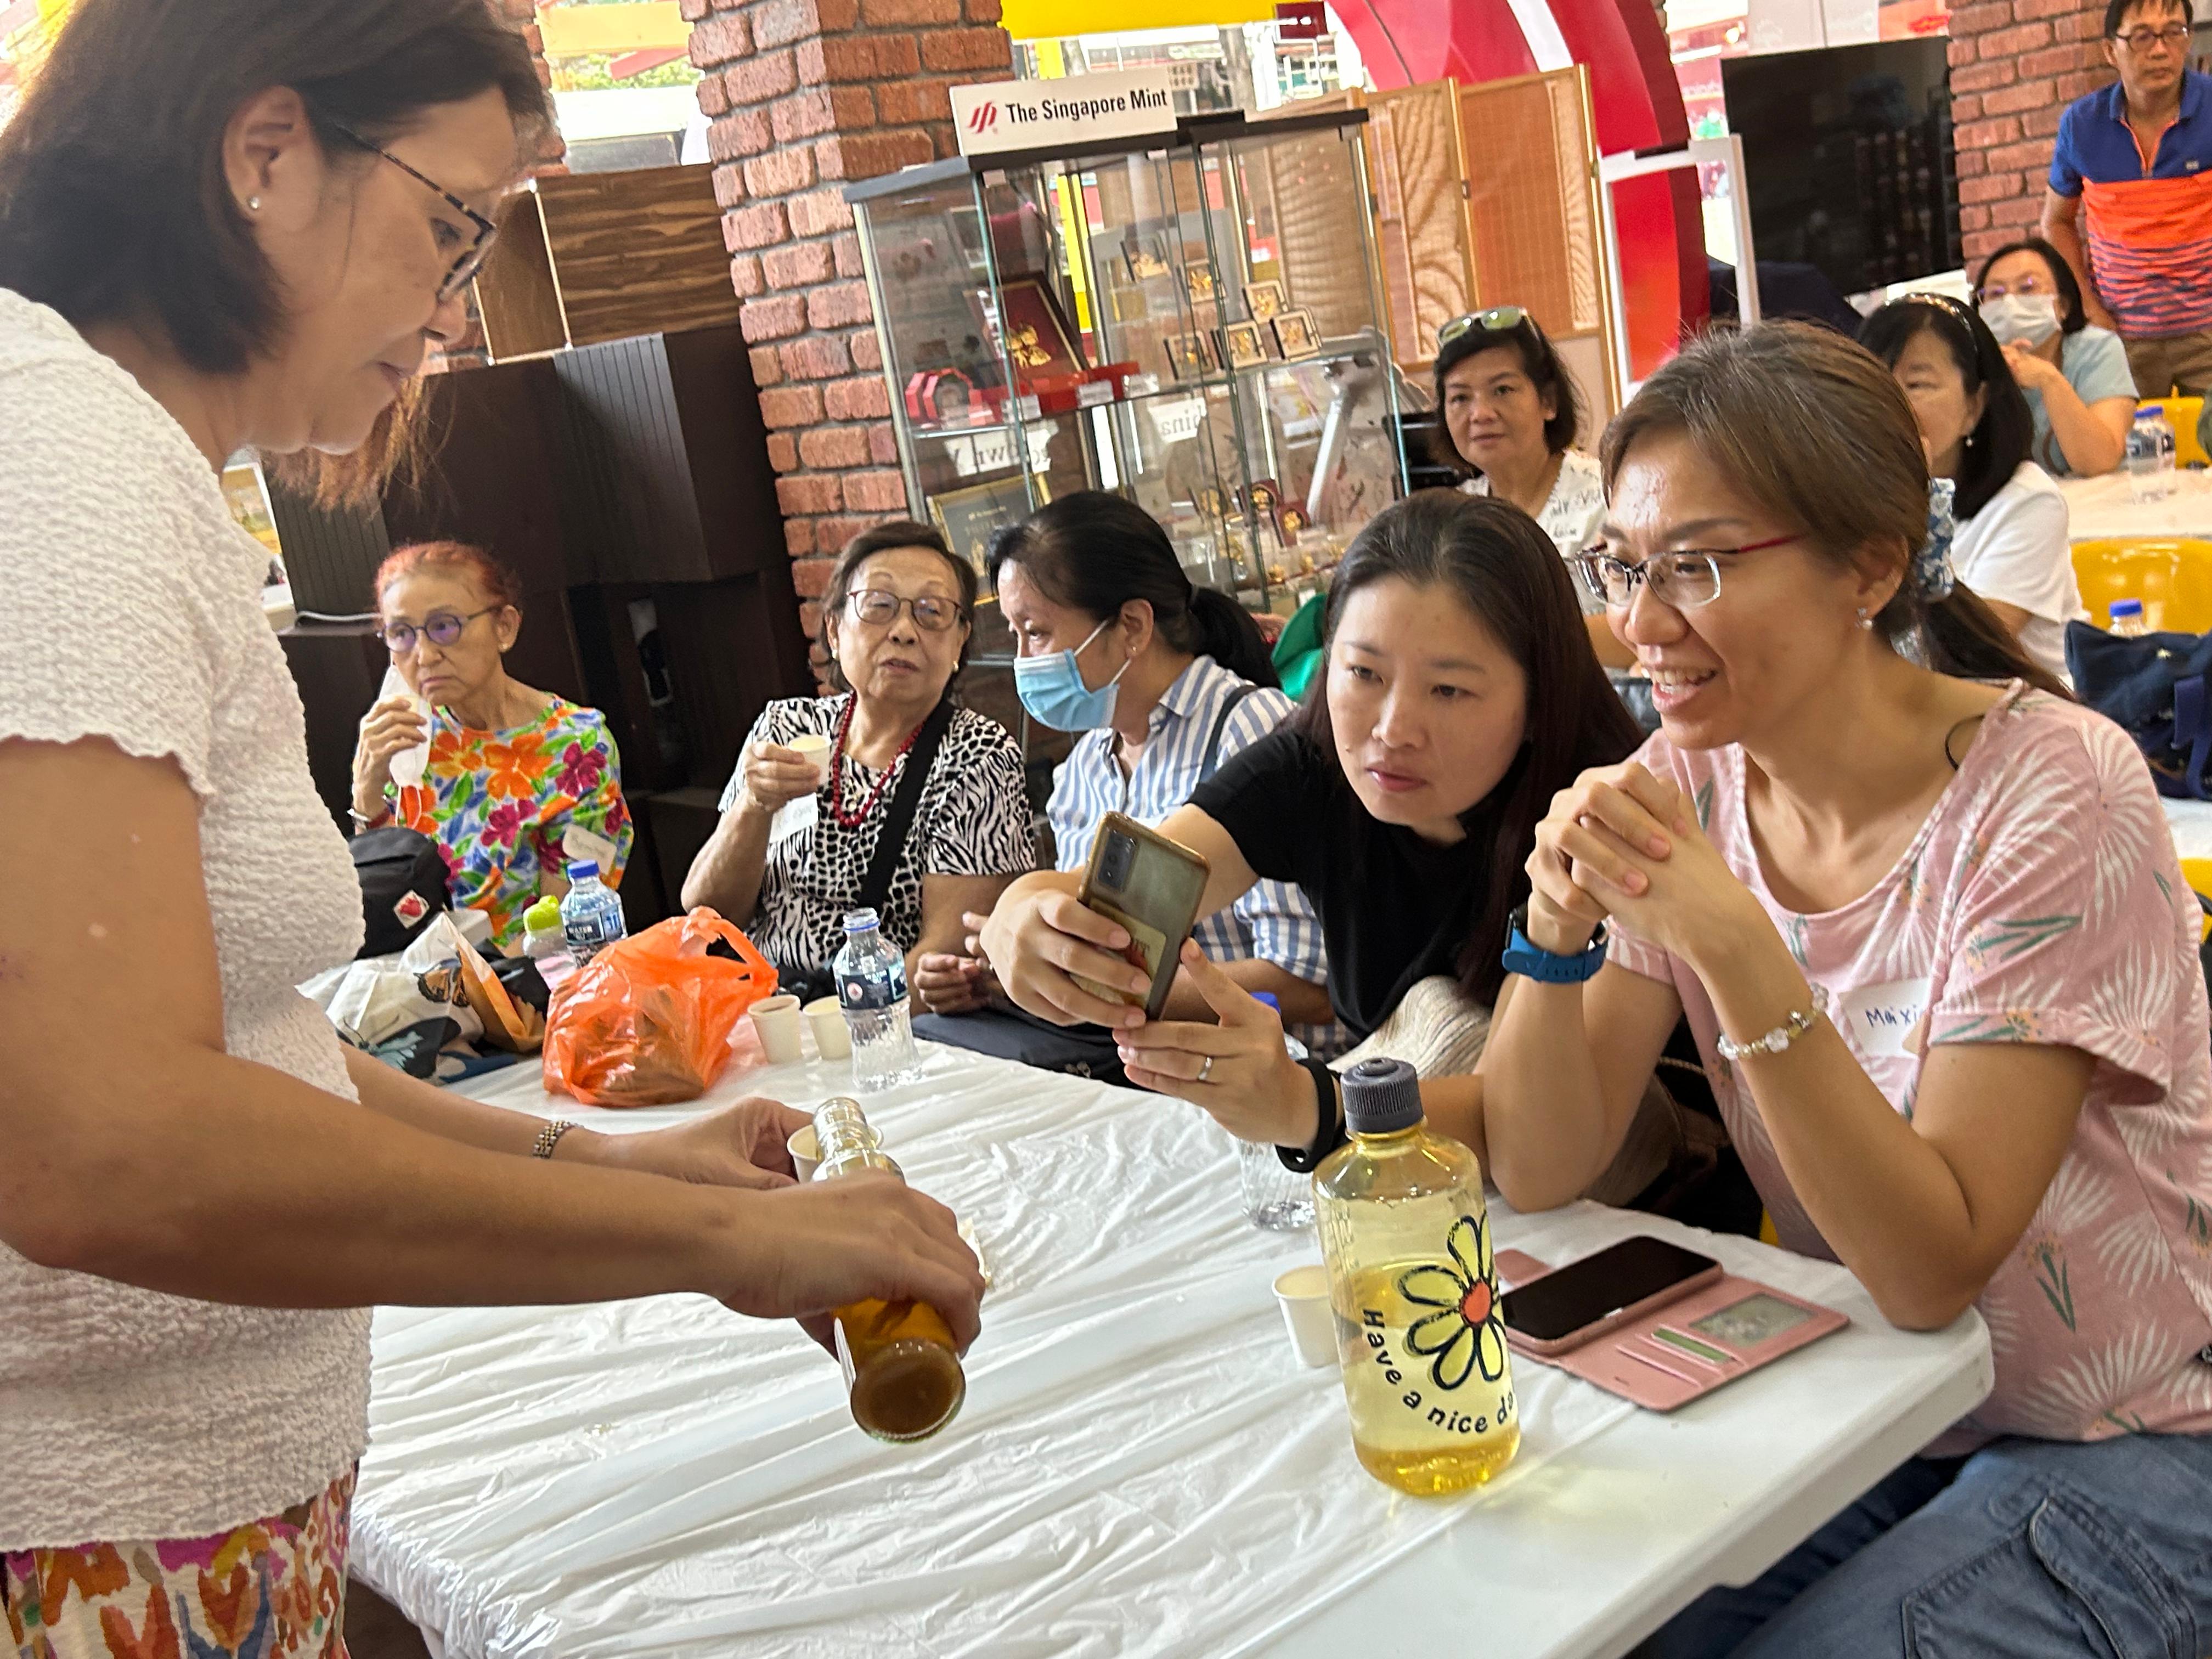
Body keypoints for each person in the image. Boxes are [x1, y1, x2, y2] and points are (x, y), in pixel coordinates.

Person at [0, 3, 981, 1645]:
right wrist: (709, 1245)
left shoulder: (100, 452)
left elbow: (250, 1057)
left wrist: (617, 1155)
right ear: (266, 152)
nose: (455, 318)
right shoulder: (61, 459)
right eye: (452, 229)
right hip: (92, 1538)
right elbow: (104, 1143)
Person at [1473, 321, 2212, 1656]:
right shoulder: (1692, 779)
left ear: (1869, 568)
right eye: (1626, 567)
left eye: (1695, 566)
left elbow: (1932, 1263)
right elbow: (1544, 1162)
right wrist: (1552, 934)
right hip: (1887, 1399)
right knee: (1578, 1623)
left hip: (2136, 1439)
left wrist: (1740, 947)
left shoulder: (2055, 791)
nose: (1642, 627)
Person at [978, 490, 1644, 1157]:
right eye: (1363, 673)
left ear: (1538, 699)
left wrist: (1315, 1106)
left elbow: (1527, 1126)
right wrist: (1024, 912)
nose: (1392, 729)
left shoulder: (1600, 823)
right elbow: (1141, 882)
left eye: (1448, 689)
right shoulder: (1313, 767)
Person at [919, 492, 1336, 1051]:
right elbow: (1095, 945)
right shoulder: (1085, 768)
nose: (1024, 660)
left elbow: (1307, 985)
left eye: (1037, 632)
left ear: (1133, 626)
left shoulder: (1251, 732)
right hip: (1138, 1070)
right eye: (1014, 636)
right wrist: (1009, 974)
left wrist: (1094, 991)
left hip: (1260, 1072)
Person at [682, 521, 1032, 996]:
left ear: (958, 642)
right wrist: (753, 806)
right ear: (834, 628)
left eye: (932, 612)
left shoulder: (978, 757)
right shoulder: (787, 727)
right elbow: (708, 914)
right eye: (879, 606)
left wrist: (842, 1038)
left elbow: (941, 959)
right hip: (761, 1010)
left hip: (884, 1021)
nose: (904, 632)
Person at [352, 540, 633, 950]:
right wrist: (366, 796)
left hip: (525, 980)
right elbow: (383, 899)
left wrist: (473, 989)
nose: (425, 655)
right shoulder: (409, 737)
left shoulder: (575, 746)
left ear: (505, 627)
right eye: (401, 634)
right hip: (412, 975)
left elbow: (570, 923)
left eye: (445, 626)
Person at [1429, 304, 1652, 727]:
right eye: (1460, 397)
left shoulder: (1612, 496)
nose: (1480, 414)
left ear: (1548, 401)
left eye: (1502, 390)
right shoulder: (1454, 517)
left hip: (1608, 720)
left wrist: (1515, 644)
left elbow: (1647, 626)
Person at [1860, 295, 2086, 685]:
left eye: (1917, 384)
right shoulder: (1848, 502)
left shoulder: (2028, 502)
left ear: (1974, 406)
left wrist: (1915, 511)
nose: (1891, 405)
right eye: (1874, 384)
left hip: (2019, 718)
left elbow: (1964, 656)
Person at [2042, 0, 2212, 397]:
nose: (2159, 49)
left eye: (2174, 32)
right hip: (2122, 338)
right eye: (2142, 37)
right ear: (2110, 51)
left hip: (2208, 334)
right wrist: (2088, 308)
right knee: (2125, 453)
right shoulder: (2082, 125)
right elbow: (2056, 222)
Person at [1972, 236, 2139, 477]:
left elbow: (2100, 462)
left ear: (2063, 306)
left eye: (2027, 288)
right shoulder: (1971, 364)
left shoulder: (2097, 349)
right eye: (1995, 293)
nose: (2010, 302)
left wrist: (2048, 379)